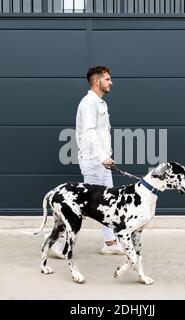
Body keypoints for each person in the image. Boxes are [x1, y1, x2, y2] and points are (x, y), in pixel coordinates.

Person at [52, 65, 125, 257]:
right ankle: (58, 242)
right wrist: (102, 157)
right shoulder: (88, 103)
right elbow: (89, 133)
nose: (111, 82)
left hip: (102, 162)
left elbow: (101, 134)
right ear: (97, 81)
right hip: (93, 162)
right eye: (108, 79)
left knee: (110, 202)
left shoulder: (100, 103)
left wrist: (106, 156)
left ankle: (110, 242)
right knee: (82, 206)